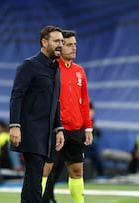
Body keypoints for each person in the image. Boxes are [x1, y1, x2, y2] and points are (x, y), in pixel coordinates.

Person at [9, 25, 65, 203]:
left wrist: (59, 128)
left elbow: (55, 102)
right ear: (44, 42)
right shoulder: (29, 65)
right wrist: (15, 126)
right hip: (31, 129)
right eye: (56, 41)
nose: (60, 45)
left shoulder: (56, 69)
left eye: (62, 42)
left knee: (33, 175)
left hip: (47, 132)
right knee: (35, 175)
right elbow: (17, 96)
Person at [42, 30, 93, 203]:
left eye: (75, 45)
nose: (74, 48)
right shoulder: (51, 68)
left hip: (76, 130)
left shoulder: (80, 71)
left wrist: (88, 127)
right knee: (45, 169)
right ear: (60, 46)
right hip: (55, 128)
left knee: (77, 171)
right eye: (69, 45)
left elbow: (84, 101)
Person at [84, 102, 104, 177]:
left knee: (97, 160)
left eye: (92, 110)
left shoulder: (93, 122)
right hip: (84, 147)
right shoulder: (83, 121)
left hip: (91, 147)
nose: (92, 113)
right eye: (90, 110)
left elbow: (97, 134)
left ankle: (100, 176)